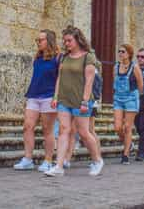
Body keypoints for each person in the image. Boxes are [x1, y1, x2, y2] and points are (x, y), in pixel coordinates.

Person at [44, 26, 104, 177]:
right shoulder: (64, 57)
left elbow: (89, 81)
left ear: (78, 40)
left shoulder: (87, 57)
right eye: (65, 41)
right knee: (64, 130)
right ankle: (58, 166)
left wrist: (85, 102)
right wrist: (55, 96)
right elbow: (60, 78)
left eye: (69, 40)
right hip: (64, 99)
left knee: (84, 132)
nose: (67, 43)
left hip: (81, 100)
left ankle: (97, 160)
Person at [14, 30, 61, 172]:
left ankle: (48, 160)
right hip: (34, 95)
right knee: (27, 126)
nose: (38, 42)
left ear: (49, 41)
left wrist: (56, 97)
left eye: (41, 40)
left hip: (49, 96)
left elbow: (60, 78)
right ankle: (28, 159)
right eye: (37, 40)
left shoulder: (58, 58)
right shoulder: (37, 57)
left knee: (47, 129)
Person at [113, 44, 143, 165]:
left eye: (123, 52)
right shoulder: (116, 67)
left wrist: (136, 98)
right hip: (118, 98)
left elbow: (140, 84)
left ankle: (125, 154)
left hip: (131, 97)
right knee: (117, 127)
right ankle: (128, 144)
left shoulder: (134, 67)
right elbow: (114, 80)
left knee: (127, 127)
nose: (120, 54)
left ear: (129, 54)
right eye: (119, 51)